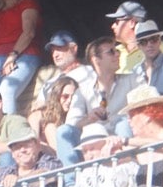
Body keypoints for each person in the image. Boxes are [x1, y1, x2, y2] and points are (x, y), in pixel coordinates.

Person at [56, 37, 136, 165]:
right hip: (93, 142)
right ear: (96, 59)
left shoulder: (133, 80)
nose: (117, 54)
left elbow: (144, 109)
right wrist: (89, 119)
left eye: (117, 51)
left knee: (122, 122)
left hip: (122, 137)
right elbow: (71, 125)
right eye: (111, 52)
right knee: (63, 132)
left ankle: (129, 171)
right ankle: (71, 183)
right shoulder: (82, 91)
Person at [27, 31, 95, 133]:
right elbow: (39, 107)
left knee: (50, 127)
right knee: (35, 116)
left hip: (78, 121)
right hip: (51, 124)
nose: (55, 55)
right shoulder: (50, 82)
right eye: (53, 51)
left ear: (74, 49)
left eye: (59, 49)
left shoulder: (88, 72)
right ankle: (34, 144)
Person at [132, 20, 163, 104]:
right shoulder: (135, 71)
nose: (149, 45)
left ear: (159, 40)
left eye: (153, 39)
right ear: (138, 46)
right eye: (143, 42)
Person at [39, 77, 78, 156]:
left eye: (73, 97)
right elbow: (59, 153)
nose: (69, 101)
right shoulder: (50, 124)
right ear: (57, 96)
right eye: (65, 96)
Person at [107, 1, 149, 74]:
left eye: (117, 22)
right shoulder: (115, 52)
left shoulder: (154, 48)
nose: (112, 26)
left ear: (132, 23)